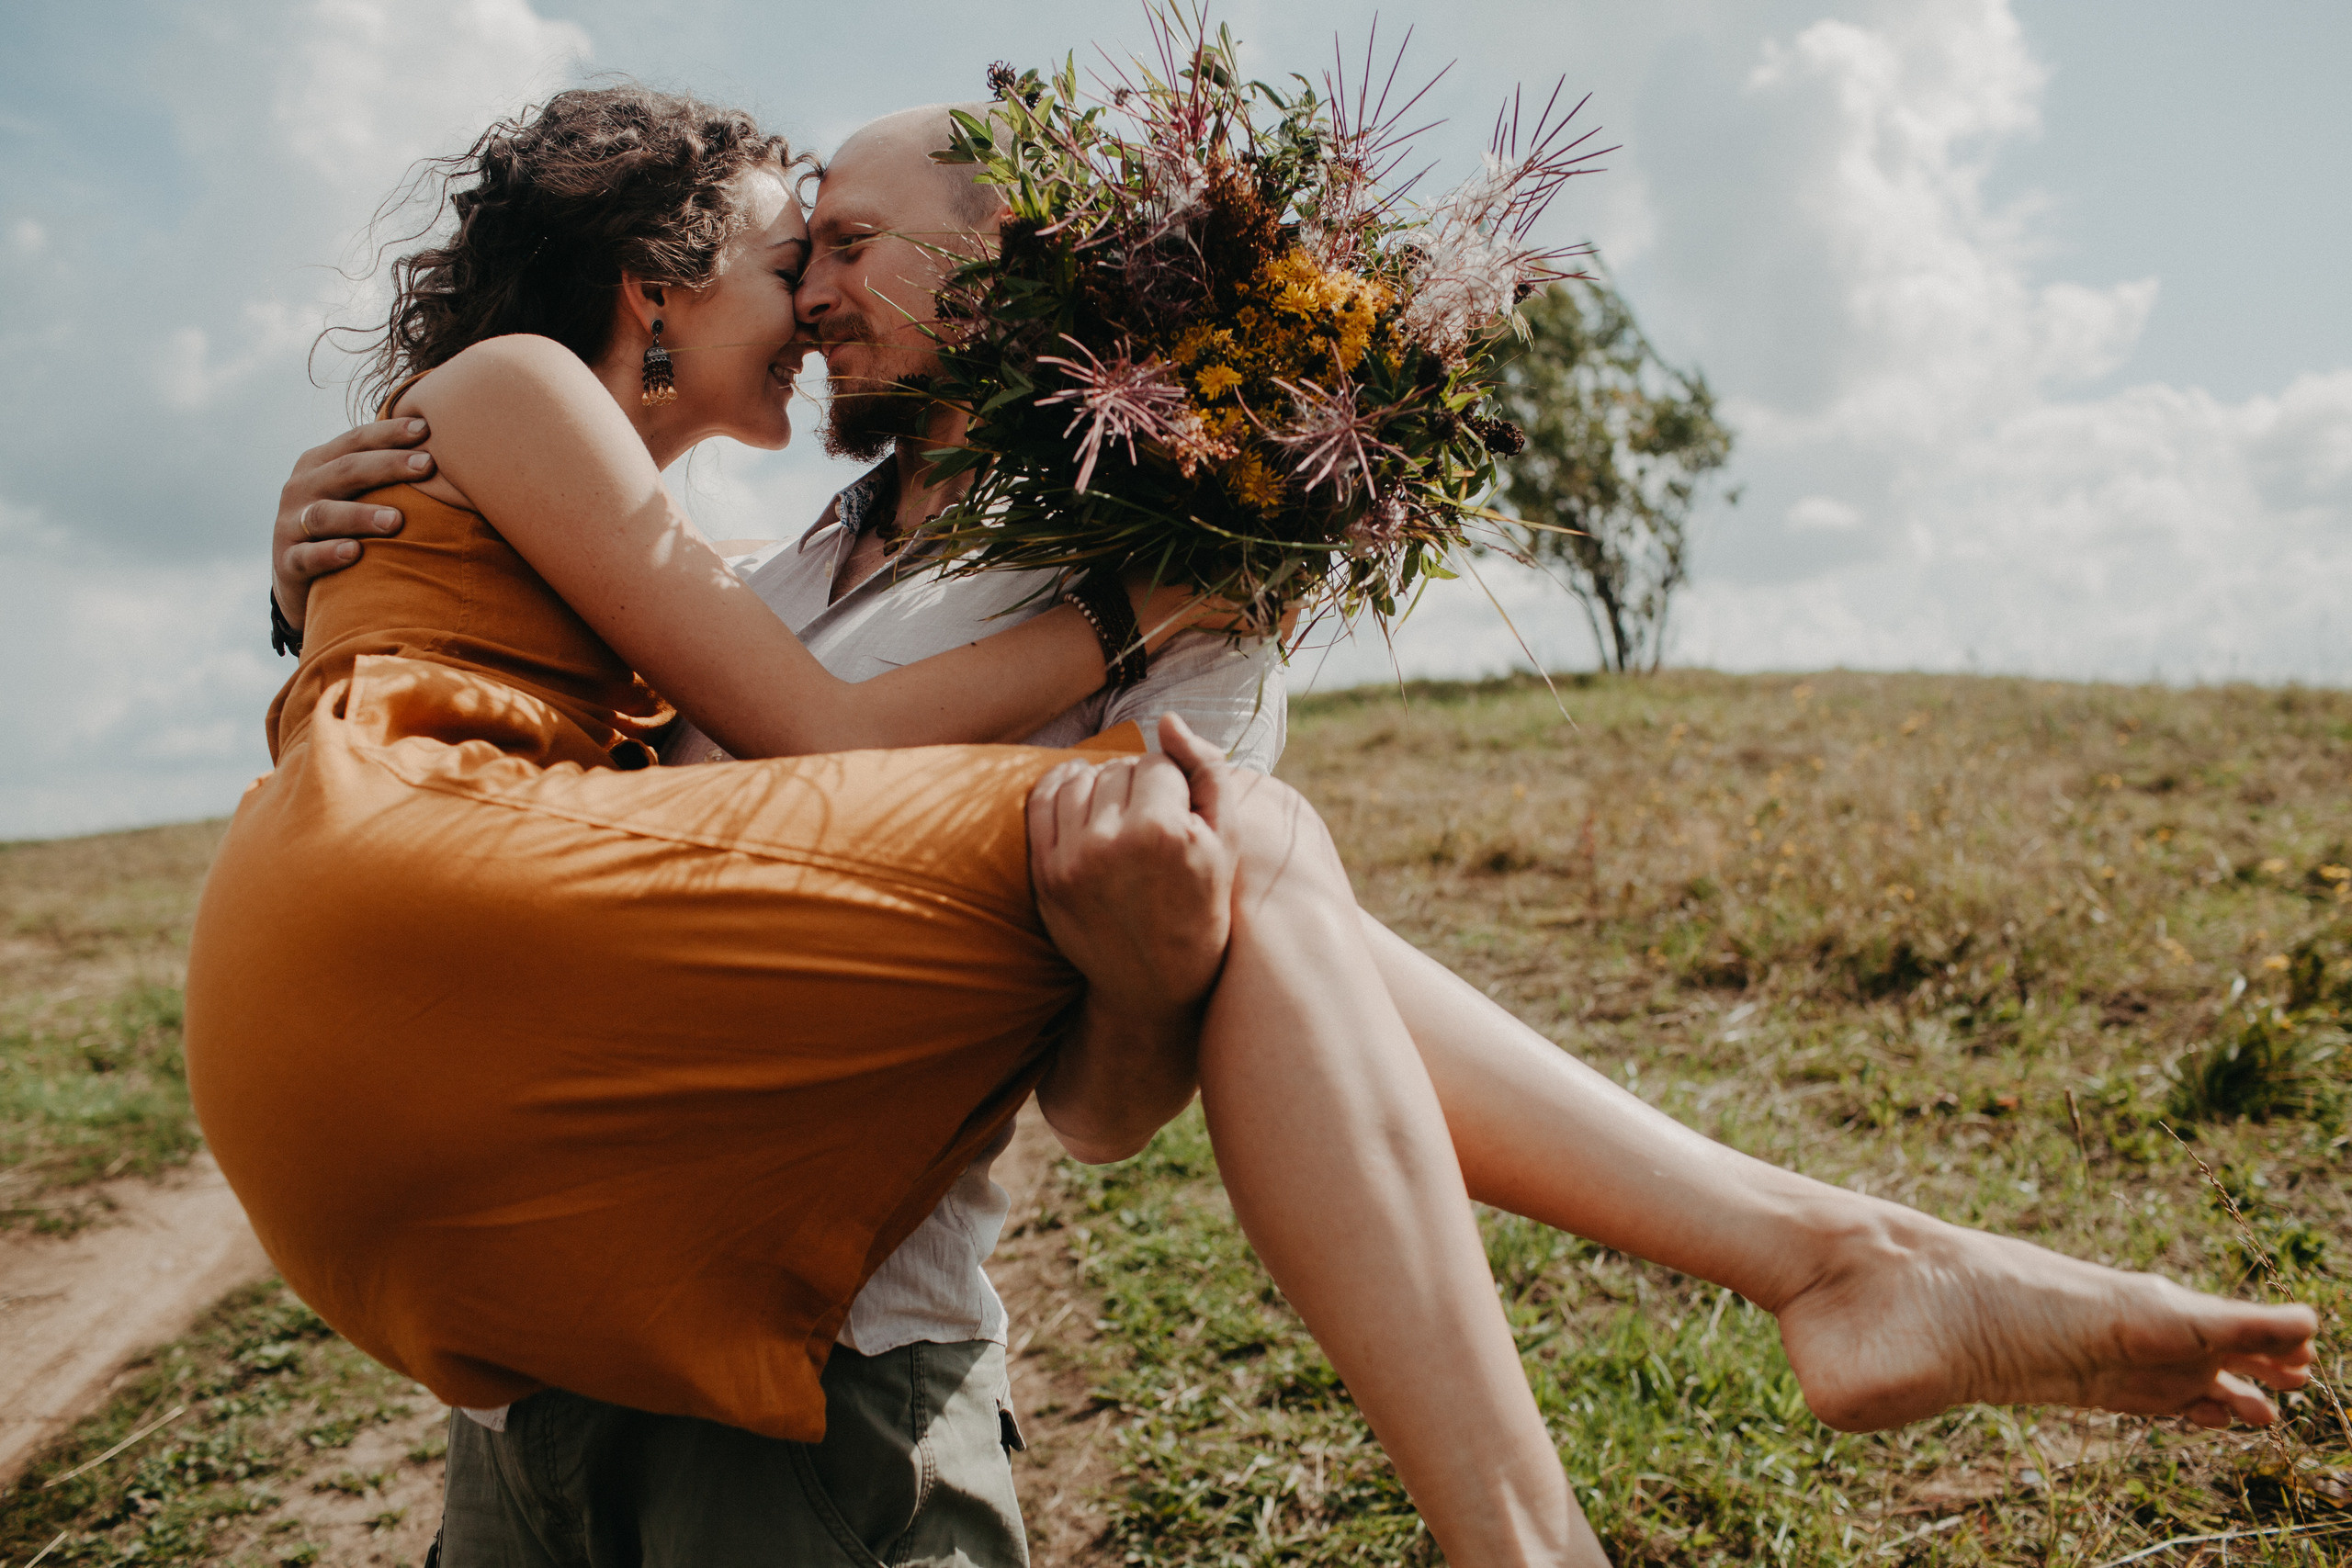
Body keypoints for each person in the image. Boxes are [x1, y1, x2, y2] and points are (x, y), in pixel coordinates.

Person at [231, 85, 2317, 1568]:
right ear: (650, 282)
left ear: (1016, 267)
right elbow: (718, 756)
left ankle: (1750, 1342)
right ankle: (1809, 1275)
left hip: (807, 1383)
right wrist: (322, 548)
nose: (817, 281)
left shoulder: (1196, 653)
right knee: (1271, 861)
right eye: (795, 247)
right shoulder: (768, 572)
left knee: (1230, 860)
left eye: (846, 240)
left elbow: (1111, 1111)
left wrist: (1145, 961)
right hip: (535, 1375)